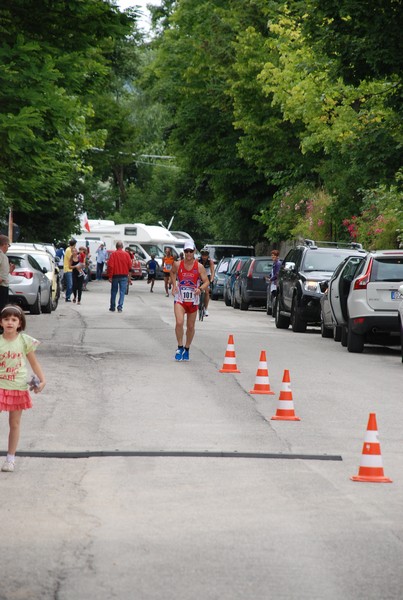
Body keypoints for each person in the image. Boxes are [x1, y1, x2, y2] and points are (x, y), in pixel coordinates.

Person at [0, 304, 46, 472]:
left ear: (20, 323)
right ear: (1, 323)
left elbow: (34, 362)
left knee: (15, 423)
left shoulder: (24, 341)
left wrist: (42, 380)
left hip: (17, 387)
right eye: (6, 319)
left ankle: (10, 458)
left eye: (14, 319)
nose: (10, 322)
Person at [170, 240, 209, 361]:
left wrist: (200, 288)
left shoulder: (199, 267)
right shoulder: (178, 264)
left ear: (194, 252)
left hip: (193, 300)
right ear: (184, 252)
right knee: (179, 322)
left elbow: (207, 281)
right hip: (180, 299)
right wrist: (174, 285)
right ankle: (179, 346)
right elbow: (172, 272)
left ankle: (187, 348)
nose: (188, 253)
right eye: (186, 251)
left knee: (190, 326)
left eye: (190, 251)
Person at [107, 241, 133, 313]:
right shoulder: (126, 255)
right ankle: (120, 307)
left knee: (113, 291)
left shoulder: (113, 254)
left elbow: (111, 266)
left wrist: (110, 276)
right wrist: (129, 277)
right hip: (124, 276)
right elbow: (130, 266)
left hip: (115, 276)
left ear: (116, 247)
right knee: (122, 292)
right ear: (122, 247)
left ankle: (112, 307)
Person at [198, 248, 215, 317]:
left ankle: (206, 309)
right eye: (203, 255)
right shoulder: (198, 260)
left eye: (206, 255)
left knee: (207, 292)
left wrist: (212, 279)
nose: (204, 257)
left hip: (207, 276)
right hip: (199, 276)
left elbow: (212, 271)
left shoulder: (210, 261)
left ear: (208, 255)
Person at [269, 249, 282, 319]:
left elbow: (277, 274)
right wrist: (270, 276)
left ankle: (275, 314)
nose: (272, 257)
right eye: (272, 256)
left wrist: (271, 279)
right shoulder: (274, 263)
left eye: (274, 256)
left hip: (275, 283)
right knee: (273, 297)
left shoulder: (278, 264)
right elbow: (273, 272)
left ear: (277, 256)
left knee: (275, 298)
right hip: (273, 283)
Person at [0, 235, 10, 311]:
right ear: (4, 244)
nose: (8, 247)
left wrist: (10, 270)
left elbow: (3, 271)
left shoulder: (3, 256)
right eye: (8, 245)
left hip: (4, 285)